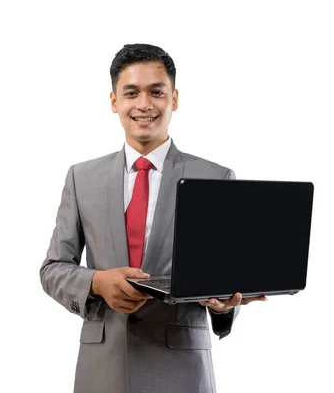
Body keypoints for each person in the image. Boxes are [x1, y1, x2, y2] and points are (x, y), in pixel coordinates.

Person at [39, 43, 266, 393]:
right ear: (115, 101)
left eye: (156, 92)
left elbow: (223, 278)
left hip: (181, 367)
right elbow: (53, 268)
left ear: (174, 99)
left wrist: (222, 305)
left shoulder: (216, 178)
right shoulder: (81, 178)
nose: (144, 104)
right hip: (103, 366)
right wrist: (97, 282)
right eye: (131, 93)